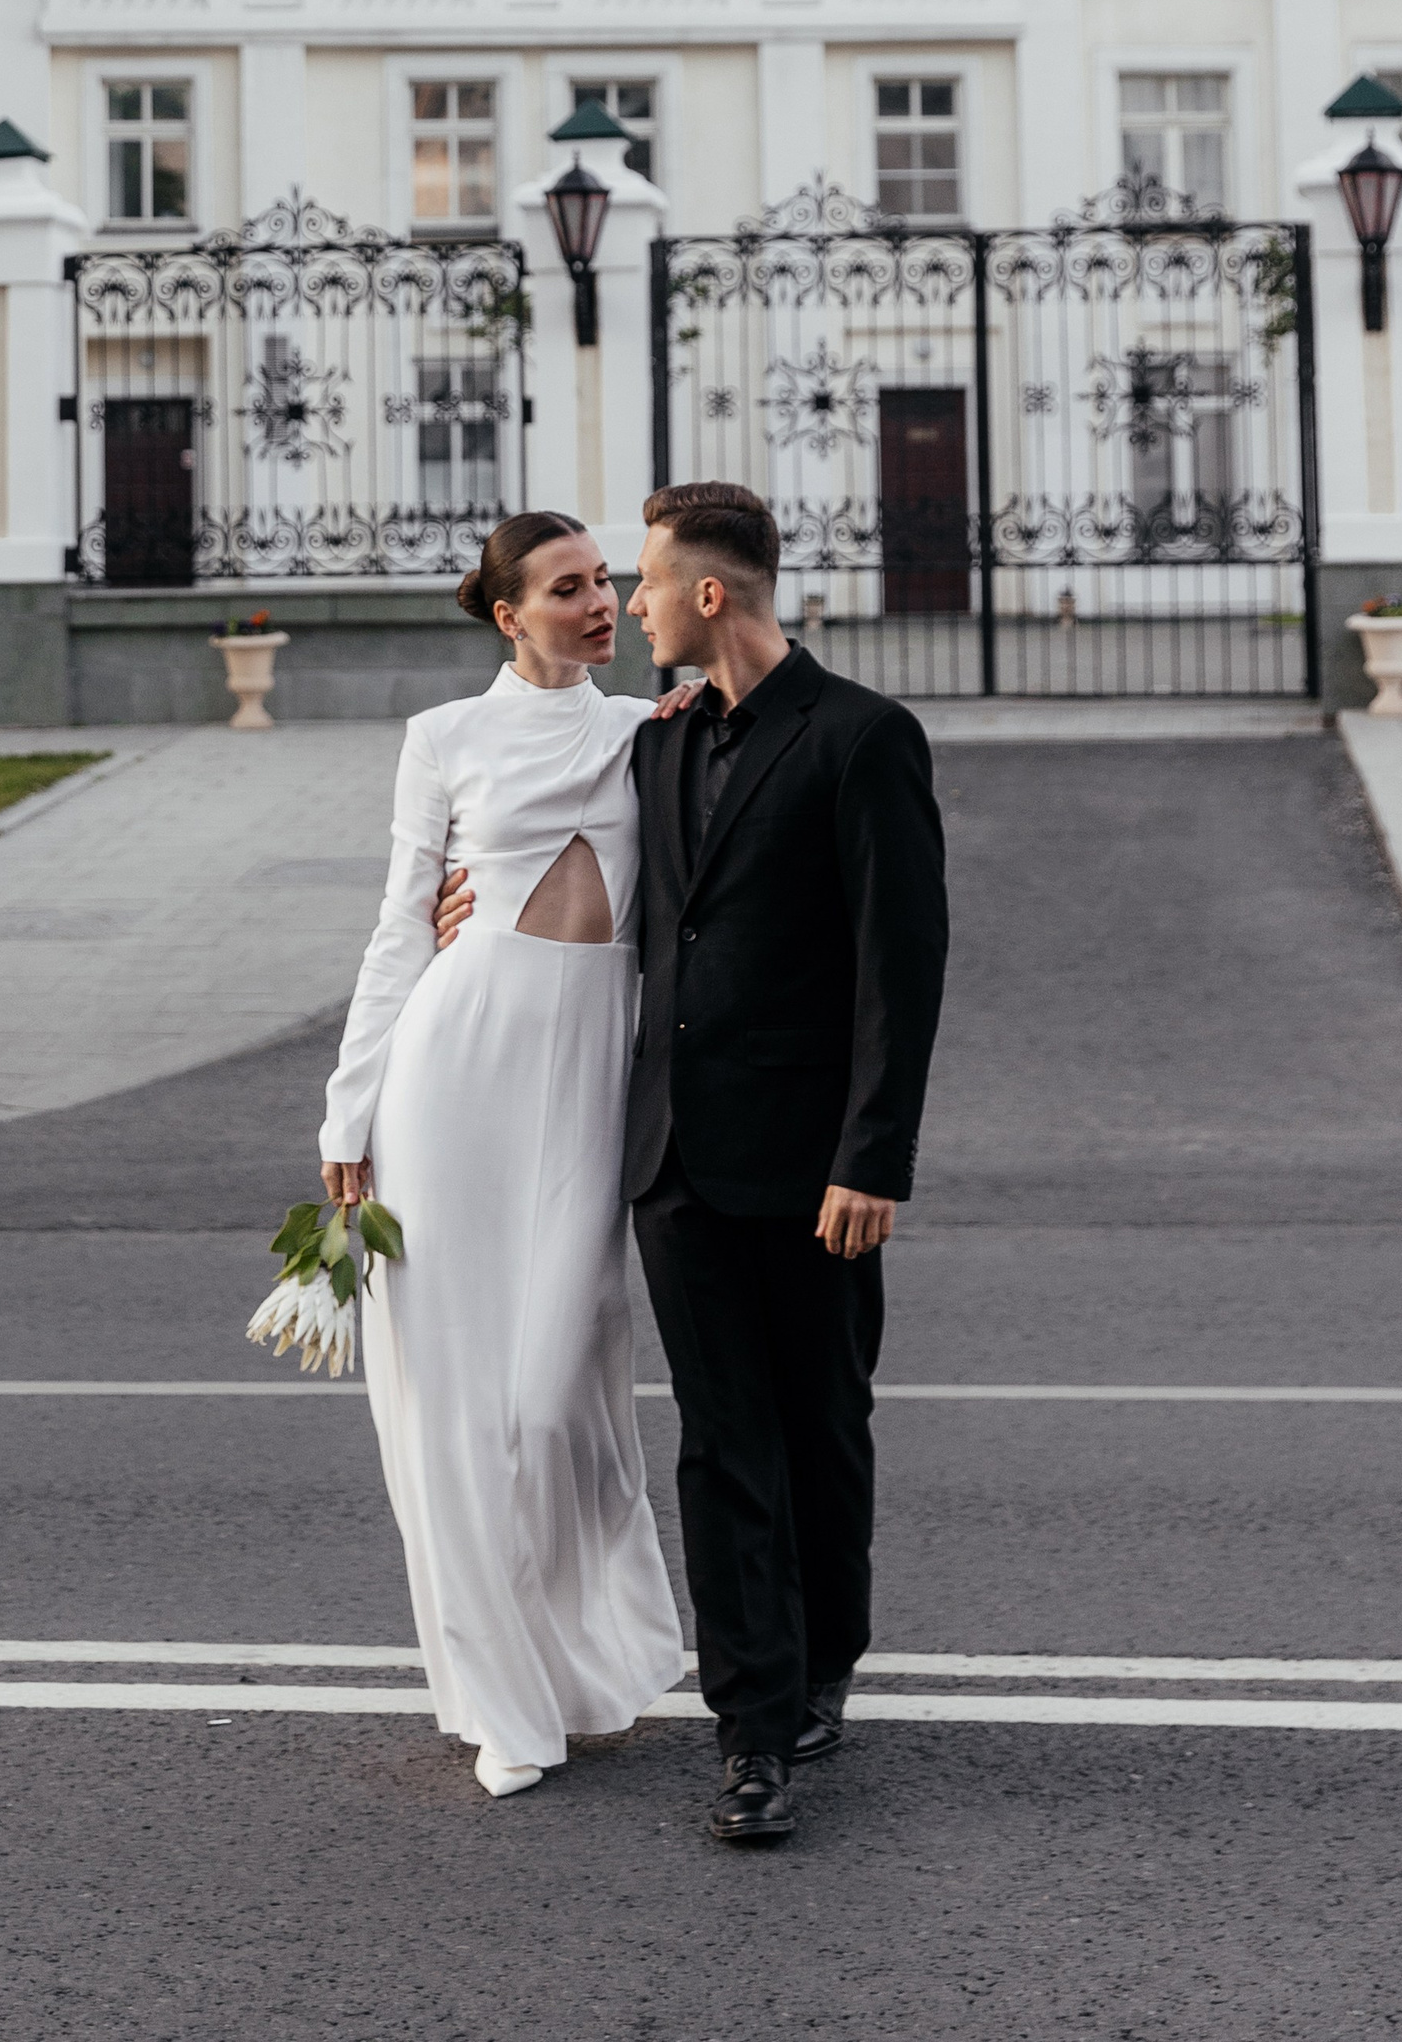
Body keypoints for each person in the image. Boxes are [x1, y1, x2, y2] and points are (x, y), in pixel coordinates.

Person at [433, 479, 947, 1847]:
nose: (629, 602)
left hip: (817, 1169)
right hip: (673, 1161)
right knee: (723, 1446)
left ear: (707, 594)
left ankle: (827, 1652)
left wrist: (872, 1154)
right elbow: (550, 833)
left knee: (823, 1427)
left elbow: (904, 968)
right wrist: (456, 904)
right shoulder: (656, 743)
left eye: (645, 581)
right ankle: (755, 1732)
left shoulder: (865, 740)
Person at [318, 512, 687, 1800]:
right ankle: (502, 1703)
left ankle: (584, 1660)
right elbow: (399, 928)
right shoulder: (444, 739)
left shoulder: (654, 732)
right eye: (568, 588)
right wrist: (346, 1115)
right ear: (507, 614)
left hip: (590, 1079)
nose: (599, 604)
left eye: (605, 583)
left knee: (553, 1395)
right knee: (458, 1411)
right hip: (451, 1076)